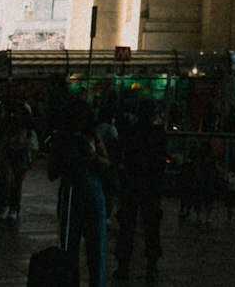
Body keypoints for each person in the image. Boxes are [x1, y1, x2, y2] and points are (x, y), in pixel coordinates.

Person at [49, 99, 109, 287]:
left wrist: (93, 158)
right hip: (74, 192)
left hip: (83, 192)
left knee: (94, 247)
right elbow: (52, 171)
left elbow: (106, 163)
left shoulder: (92, 135)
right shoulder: (64, 138)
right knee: (71, 248)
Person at [114, 97, 166, 283]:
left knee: (127, 226)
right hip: (150, 186)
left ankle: (123, 264)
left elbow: (124, 156)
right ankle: (151, 264)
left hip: (132, 184)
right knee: (151, 227)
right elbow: (161, 161)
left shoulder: (130, 132)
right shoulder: (158, 133)